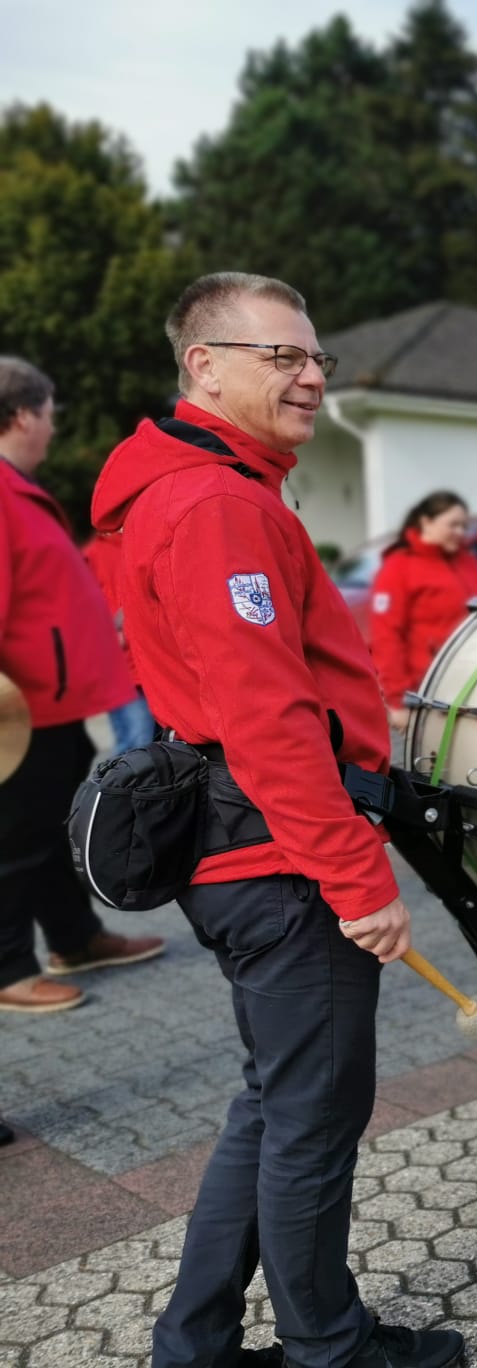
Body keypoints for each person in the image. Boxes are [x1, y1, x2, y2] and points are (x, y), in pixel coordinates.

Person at [90, 274, 462, 1368]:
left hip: (246, 850)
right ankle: (329, 1349)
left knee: (274, 1103)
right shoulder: (218, 505)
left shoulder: (208, 488)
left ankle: (195, 1346)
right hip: (279, 860)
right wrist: (359, 882)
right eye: (281, 356)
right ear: (203, 366)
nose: (309, 377)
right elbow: (266, 718)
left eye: (316, 359)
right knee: (311, 1121)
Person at [0, 356, 164, 1016]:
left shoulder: (18, 489)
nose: (53, 429)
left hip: (52, 701)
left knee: (47, 831)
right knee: (15, 840)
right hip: (20, 711)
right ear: (21, 415)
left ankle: (75, 938)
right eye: (48, 415)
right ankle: (9, 968)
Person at [369, 490, 477, 732]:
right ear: (426, 522)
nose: (460, 532)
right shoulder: (399, 567)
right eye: (453, 525)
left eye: (464, 526)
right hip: (429, 691)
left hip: (474, 684)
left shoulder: (467, 561)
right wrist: (398, 701)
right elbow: (386, 638)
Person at [82, 527, 157, 754]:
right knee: (136, 744)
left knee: (154, 745)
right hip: (122, 670)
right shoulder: (93, 555)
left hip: (153, 663)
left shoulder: (144, 540)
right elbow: (78, 609)